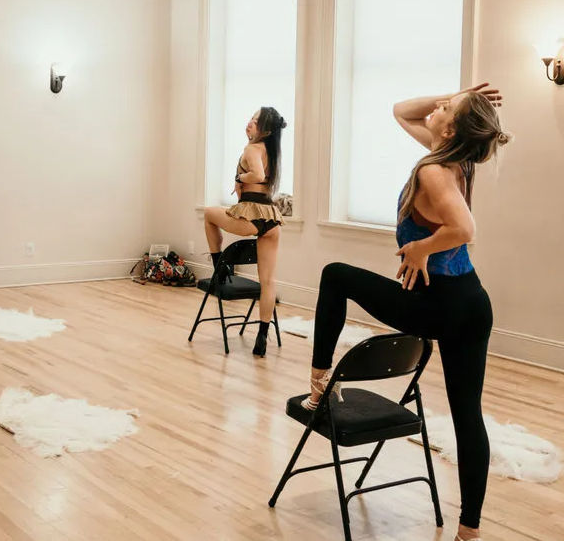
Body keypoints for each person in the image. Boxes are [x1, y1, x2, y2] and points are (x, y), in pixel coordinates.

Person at [302, 83, 507, 541]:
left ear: (451, 128)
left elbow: (465, 228)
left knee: (335, 274)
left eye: (445, 108)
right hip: (473, 303)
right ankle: (469, 531)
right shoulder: (455, 158)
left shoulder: (435, 170)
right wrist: (459, 96)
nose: (434, 107)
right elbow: (401, 110)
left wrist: (420, 247)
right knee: (467, 417)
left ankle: (318, 385)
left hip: (439, 306)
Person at [203, 107, 286, 357]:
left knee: (209, 213)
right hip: (271, 219)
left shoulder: (251, 150)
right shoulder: (272, 152)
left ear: (266, 130)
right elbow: (265, 178)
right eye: (251, 118)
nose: (250, 123)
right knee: (268, 281)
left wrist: (241, 176)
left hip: (251, 215)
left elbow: (257, 176)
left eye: (256, 121)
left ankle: (220, 265)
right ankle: (262, 335)